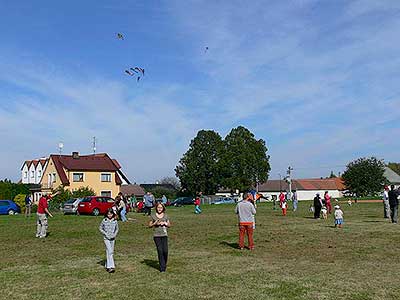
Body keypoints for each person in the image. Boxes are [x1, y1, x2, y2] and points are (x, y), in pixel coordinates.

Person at [149, 203, 170, 272]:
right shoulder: (153, 215)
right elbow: (149, 225)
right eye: (158, 207)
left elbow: (169, 225)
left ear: (163, 208)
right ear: (156, 208)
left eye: (161, 207)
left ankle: (164, 263)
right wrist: (155, 223)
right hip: (157, 236)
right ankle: (162, 268)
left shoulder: (166, 215)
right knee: (160, 251)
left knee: (165, 251)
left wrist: (165, 223)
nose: (159, 209)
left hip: (164, 235)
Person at [99, 208, 119, 273]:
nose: (109, 215)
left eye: (111, 214)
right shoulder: (104, 220)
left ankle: (107, 265)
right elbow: (100, 228)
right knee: (110, 252)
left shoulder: (115, 221)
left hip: (113, 238)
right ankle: (111, 267)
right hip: (106, 238)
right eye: (108, 214)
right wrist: (105, 234)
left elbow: (117, 229)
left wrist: (114, 234)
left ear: (113, 214)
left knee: (110, 251)